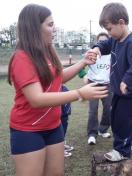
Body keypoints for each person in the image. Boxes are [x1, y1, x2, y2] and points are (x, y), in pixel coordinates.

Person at [7, 4, 108, 175]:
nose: (55, 29)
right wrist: (79, 93)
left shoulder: (47, 51)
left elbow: (58, 78)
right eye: (50, 24)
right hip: (28, 130)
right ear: (34, 28)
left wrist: (83, 62)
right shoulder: (22, 57)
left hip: (54, 127)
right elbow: (36, 99)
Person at [87, 2, 132, 161]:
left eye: (109, 29)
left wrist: (126, 80)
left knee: (126, 123)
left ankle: (123, 151)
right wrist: (96, 48)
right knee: (115, 119)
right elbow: (105, 44)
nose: (109, 33)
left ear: (121, 23)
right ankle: (118, 148)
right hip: (118, 92)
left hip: (130, 93)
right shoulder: (114, 39)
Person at [86, 32, 113, 145]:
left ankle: (102, 129)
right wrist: (84, 76)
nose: (102, 43)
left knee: (108, 109)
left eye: (104, 41)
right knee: (93, 110)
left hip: (108, 84)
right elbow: (82, 67)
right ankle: (92, 134)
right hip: (93, 84)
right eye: (100, 41)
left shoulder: (112, 55)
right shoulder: (91, 53)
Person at [60, 85, 74, 157]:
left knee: (64, 123)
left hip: (61, 88)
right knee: (59, 127)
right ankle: (59, 149)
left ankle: (62, 145)